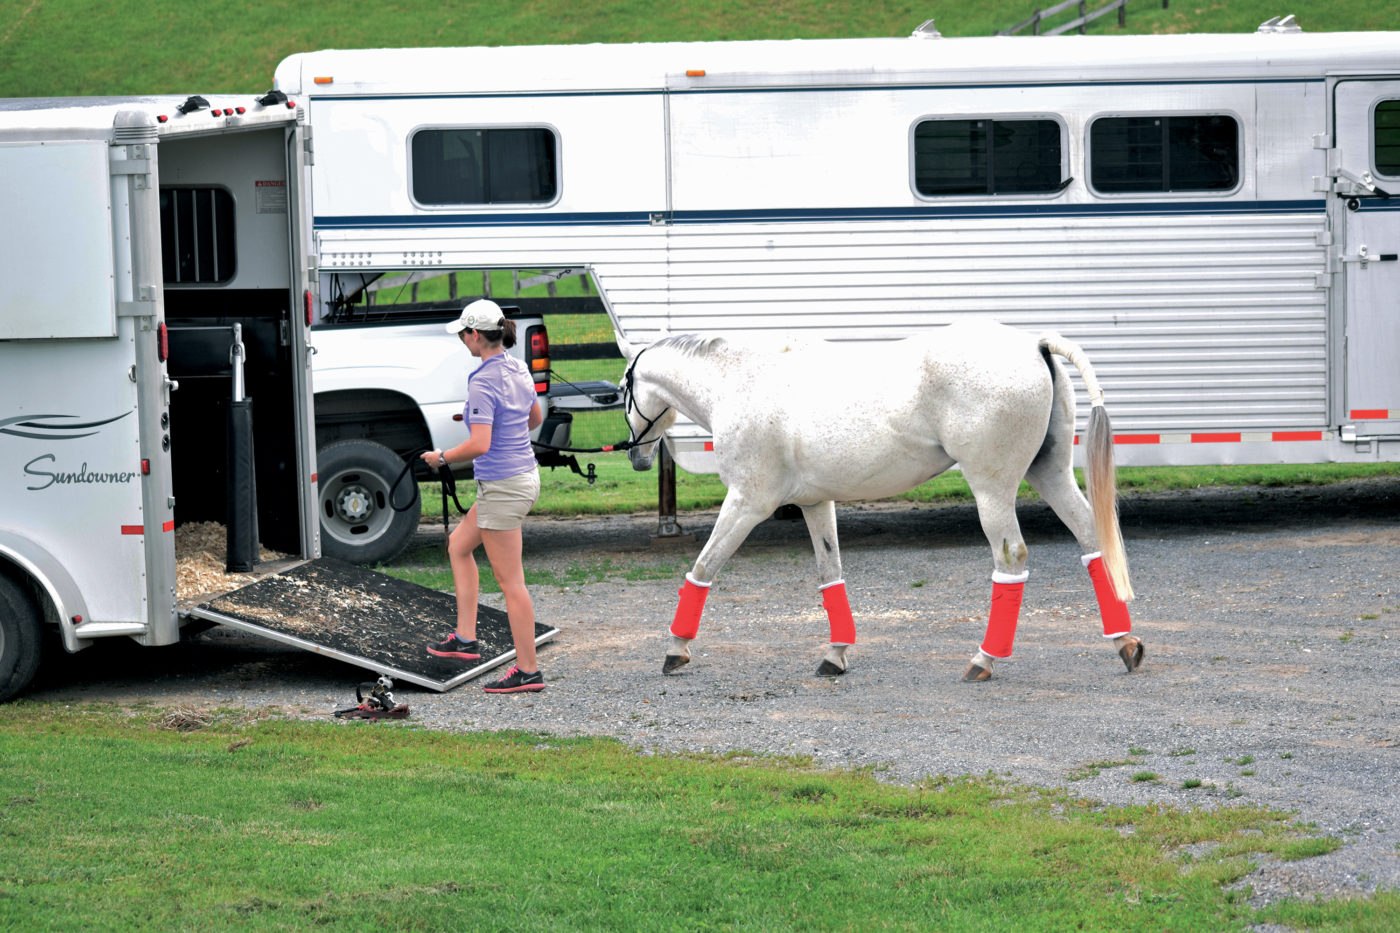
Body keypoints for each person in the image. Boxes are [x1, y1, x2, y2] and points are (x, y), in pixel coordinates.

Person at [422, 298, 546, 693]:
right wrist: (482, 415)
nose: (462, 339)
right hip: (521, 477)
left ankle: (528, 670)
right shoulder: (517, 366)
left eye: (463, 333)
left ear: (476, 335)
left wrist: (441, 457)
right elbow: (533, 418)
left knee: (512, 583)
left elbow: (479, 444)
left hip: (503, 486)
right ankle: (465, 639)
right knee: (458, 545)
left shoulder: (482, 379)